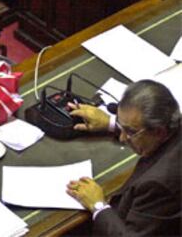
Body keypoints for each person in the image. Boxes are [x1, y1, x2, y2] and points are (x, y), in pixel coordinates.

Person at [66, 80, 181, 235]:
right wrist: (110, 123)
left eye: (130, 131)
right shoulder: (170, 127)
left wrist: (98, 205)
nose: (122, 138)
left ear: (159, 132)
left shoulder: (158, 184)